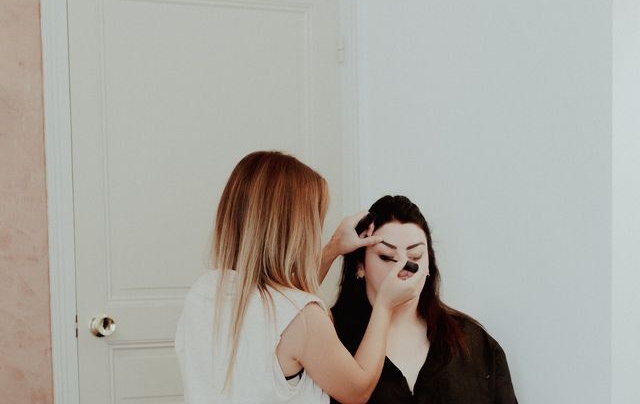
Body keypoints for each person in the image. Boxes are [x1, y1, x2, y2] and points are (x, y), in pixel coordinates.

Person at [175, 152, 426, 404]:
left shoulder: (204, 294)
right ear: (296, 231)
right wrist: (384, 305)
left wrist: (333, 248)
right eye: (315, 222)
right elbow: (358, 390)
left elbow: (276, 305)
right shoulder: (303, 318)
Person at [326, 195, 518, 404]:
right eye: (387, 257)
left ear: (428, 265)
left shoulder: (473, 343)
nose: (403, 269)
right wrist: (331, 249)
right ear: (360, 266)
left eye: (416, 256)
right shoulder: (329, 338)